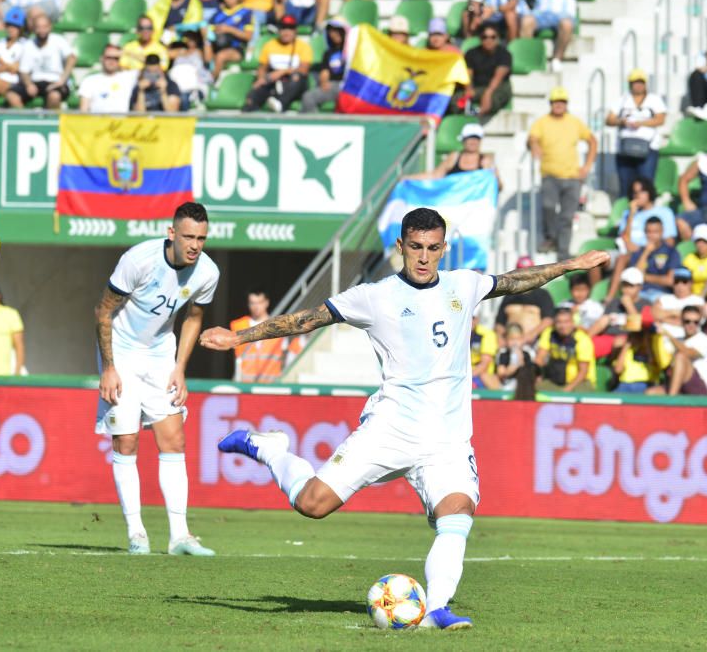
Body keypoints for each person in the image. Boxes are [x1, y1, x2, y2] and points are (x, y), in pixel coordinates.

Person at [200, 207, 609, 629]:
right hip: (390, 429)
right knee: (312, 504)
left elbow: (514, 280)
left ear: (443, 248)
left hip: (447, 442)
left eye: (433, 248)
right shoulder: (374, 296)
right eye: (415, 247)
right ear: (400, 246)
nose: (424, 257)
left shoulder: (462, 285)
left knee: (457, 514)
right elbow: (305, 320)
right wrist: (240, 337)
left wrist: (570, 265)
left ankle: (436, 609)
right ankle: (270, 449)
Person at [94, 202, 219, 557]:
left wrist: (180, 368)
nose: (195, 245)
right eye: (189, 237)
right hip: (120, 351)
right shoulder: (139, 260)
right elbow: (103, 311)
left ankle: (180, 536)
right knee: (127, 443)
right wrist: (108, 367)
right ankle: (137, 534)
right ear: (172, 233)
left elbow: (194, 317)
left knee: (174, 440)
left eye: (202, 238)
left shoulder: (207, 272)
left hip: (161, 353)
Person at [528, 86, 598, 260]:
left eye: (562, 102)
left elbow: (592, 140)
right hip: (550, 175)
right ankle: (551, 236)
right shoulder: (542, 122)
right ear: (551, 104)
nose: (558, 105)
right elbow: (533, 137)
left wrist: (587, 166)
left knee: (567, 216)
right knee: (548, 206)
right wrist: (535, 145)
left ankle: (563, 251)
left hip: (572, 177)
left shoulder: (574, 122)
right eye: (555, 102)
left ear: (566, 104)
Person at [605, 69, 667, 198]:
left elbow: (660, 119)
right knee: (626, 185)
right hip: (625, 148)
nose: (638, 85)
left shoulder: (654, 99)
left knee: (646, 185)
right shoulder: (622, 100)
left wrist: (640, 123)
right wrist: (622, 121)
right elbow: (609, 119)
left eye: (640, 82)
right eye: (635, 82)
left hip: (648, 147)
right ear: (630, 84)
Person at [229, 289, 301, 383]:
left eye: (259, 302)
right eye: (252, 303)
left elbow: (285, 358)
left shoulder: (279, 327)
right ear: (248, 304)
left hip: (270, 386)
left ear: (266, 303)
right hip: (245, 385)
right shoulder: (238, 326)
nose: (256, 307)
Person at [242, 15, 310, 113]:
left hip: (293, 83)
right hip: (273, 82)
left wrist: (281, 72)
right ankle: (248, 115)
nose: (286, 32)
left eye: (290, 28)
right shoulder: (270, 45)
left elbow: (304, 70)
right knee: (254, 93)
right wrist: (261, 79)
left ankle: (281, 104)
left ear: (295, 31)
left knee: (297, 77)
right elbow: (262, 68)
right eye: (283, 28)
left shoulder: (303, 46)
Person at [7, 14, 75, 110]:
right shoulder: (28, 45)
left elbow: (71, 58)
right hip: (36, 82)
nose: (41, 30)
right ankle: (25, 121)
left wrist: (62, 80)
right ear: (34, 29)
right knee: (11, 94)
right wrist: (29, 84)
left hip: (55, 82)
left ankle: (49, 123)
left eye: (44, 27)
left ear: (50, 27)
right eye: (38, 27)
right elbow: (24, 70)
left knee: (54, 96)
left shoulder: (59, 41)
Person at [613, 215, 681, 304]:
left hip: (661, 294)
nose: (651, 235)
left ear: (662, 232)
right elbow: (635, 277)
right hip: (639, 294)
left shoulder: (671, 252)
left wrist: (645, 277)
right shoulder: (639, 252)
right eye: (648, 232)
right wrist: (646, 252)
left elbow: (669, 280)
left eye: (655, 232)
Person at [406, 122, 500, 186]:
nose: (473, 141)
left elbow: (499, 187)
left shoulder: (486, 161)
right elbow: (435, 176)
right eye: (470, 138)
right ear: (463, 140)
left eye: (476, 138)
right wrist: (408, 178)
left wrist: (493, 174)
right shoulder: (454, 157)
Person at [590, 267, 650, 357]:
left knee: (619, 341)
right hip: (607, 337)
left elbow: (639, 329)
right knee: (585, 345)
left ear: (640, 287)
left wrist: (629, 306)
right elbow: (603, 324)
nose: (626, 289)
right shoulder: (614, 302)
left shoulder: (645, 305)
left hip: (629, 341)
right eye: (624, 285)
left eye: (631, 286)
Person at [494, 255, 554, 344]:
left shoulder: (542, 295)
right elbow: (499, 323)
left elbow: (548, 320)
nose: (525, 275)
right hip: (510, 343)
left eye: (528, 272)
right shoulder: (508, 295)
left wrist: (531, 335)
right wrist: (501, 338)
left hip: (535, 343)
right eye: (521, 272)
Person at [536, 305, 597, 393]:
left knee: (577, 396)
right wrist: (537, 375)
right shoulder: (549, 333)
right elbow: (539, 359)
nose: (563, 326)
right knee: (535, 390)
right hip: (555, 381)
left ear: (573, 323)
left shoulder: (582, 339)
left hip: (580, 382)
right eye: (559, 322)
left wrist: (567, 389)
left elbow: (583, 372)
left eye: (566, 322)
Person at [658, 305, 707, 396]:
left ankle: (670, 402)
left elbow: (687, 353)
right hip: (680, 386)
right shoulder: (679, 340)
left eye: (696, 322)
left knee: (680, 356)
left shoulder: (704, 340)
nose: (691, 325)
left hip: (701, 389)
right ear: (681, 322)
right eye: (687, 321)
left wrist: (668, 335)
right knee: (651, 393)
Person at [519, 0, 576, 73]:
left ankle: (557, 59)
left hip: (562, 14)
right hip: (540, 14)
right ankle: (527, 58)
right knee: (527, 21)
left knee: (567, 25)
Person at [464, 21, 512, 118]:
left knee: (491, 100)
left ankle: (477, 114)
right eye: (484, 37)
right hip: (477, 88)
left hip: (498, 87)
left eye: (493, 37)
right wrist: (468, 90)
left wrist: (488, 93)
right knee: (456, 100)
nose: (488, 40)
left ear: (498, 38)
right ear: (480, 38)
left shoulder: (504, 54)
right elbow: (468, 74)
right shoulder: (471, 53)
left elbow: (498, 78)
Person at [204, 0, 253, 81]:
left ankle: (209, 84)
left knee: (220, 56)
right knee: (205, 46)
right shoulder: (218, 14)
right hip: (217, 45)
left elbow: (248, 36)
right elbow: (209, 29)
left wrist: (229, 29)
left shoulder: (246, 13)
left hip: (237, 48)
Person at [300, 18, 346, 113]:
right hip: (334, 85)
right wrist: (324, 82)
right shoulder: (328, 53)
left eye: (338, 30)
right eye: (331, 31)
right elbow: (325, 71)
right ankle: (315, 124)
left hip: (349, 88)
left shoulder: (353, 50)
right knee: (308, 97)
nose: (335, 33)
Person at [78, 45, 138, 114]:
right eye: (108, 57)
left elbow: (151, 64)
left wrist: (126, 53)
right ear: (101, 58)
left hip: (120, 123)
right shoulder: (89, 80)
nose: (112, 61)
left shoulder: (128, 78)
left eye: (116, 58)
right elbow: (83, 110)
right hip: (97, 122)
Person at [167, 29, 211, 110]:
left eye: (193, 38)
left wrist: (205, 37)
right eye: (188, 38)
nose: (190, 40)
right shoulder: (180, 51)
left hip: (194, 87)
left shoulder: (199, 52)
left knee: (184, 98)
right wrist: (171, 36)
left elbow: (208, 59)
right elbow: (164, 54)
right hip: (178, 85)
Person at [612, 329, 659, 394]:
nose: (639, 338)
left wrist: (647, 343)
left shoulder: (653, 351)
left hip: (646, 385)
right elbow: (618, 370)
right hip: (625, 385)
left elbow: (654, 363)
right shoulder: (628, 351)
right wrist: (627, 345)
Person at [494, 322, 534, 392]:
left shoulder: (527, 354)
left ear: (522, 339)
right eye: (511, 339)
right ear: (506, 340)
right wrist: (512, 367)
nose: (515, 342)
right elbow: (501, 373)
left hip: (523, 385)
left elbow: (530, 374)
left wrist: (521, 361)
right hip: (506, 384)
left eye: (518, 339)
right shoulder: (503, 354)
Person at [470, 311, 499, 389]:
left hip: (479, 376)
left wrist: (466, 377)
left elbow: (484, 364)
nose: (469, 321)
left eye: (472, 318)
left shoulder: (486, 334)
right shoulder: (459, 333)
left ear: (477, 319)